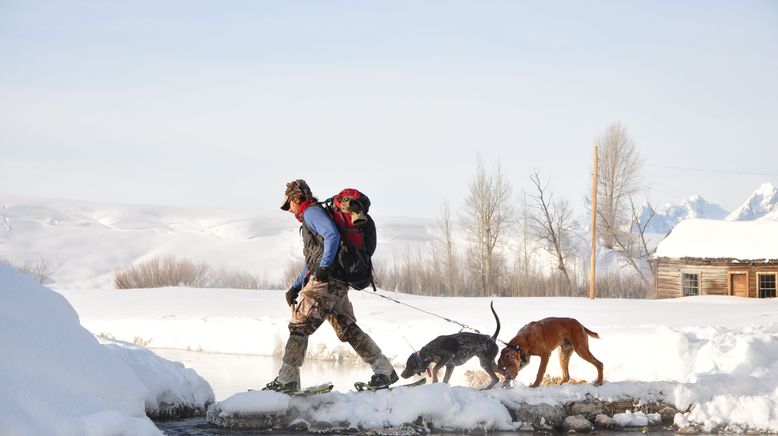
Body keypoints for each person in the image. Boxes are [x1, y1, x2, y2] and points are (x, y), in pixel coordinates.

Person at [264, 179, 398, 392]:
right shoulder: (315, 214)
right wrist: (296, 286)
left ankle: (287, 380)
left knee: (299, 325)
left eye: (289, 203)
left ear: (298, 198)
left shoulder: (311, 213)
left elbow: (332, 236)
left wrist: (324, 268)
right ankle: (384, 370)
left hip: (325, 284)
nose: (289, 209)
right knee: (348, 329)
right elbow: (313, 260)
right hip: (337, 283)